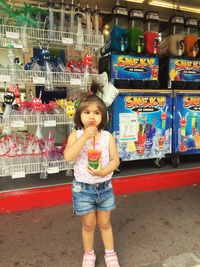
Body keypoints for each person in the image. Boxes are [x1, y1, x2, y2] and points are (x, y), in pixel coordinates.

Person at [64, 82, 120, 267]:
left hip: (104, 188)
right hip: (83, 190)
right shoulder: (76, 135)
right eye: (87, 112)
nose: (91, 116)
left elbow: (115, 160)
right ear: (80, 115)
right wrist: (85, 138)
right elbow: (68, 157)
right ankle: (89, 254)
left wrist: (104, 170)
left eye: (97, 113)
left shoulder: (107, 137)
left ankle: (110, 254)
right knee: (88, 225)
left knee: (104, 223)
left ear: (103, 117)